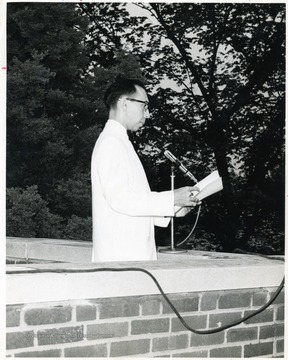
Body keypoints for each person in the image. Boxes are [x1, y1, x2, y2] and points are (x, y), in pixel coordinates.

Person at [91, 76, 199, 262]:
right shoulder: (111, 143)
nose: (147, 114)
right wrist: (172, 197)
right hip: (122, 258)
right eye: (144, 106)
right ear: (124, 104)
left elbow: (133, 201)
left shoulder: (120, 142)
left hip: (129, 256)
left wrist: (174, 206)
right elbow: (120, 199)